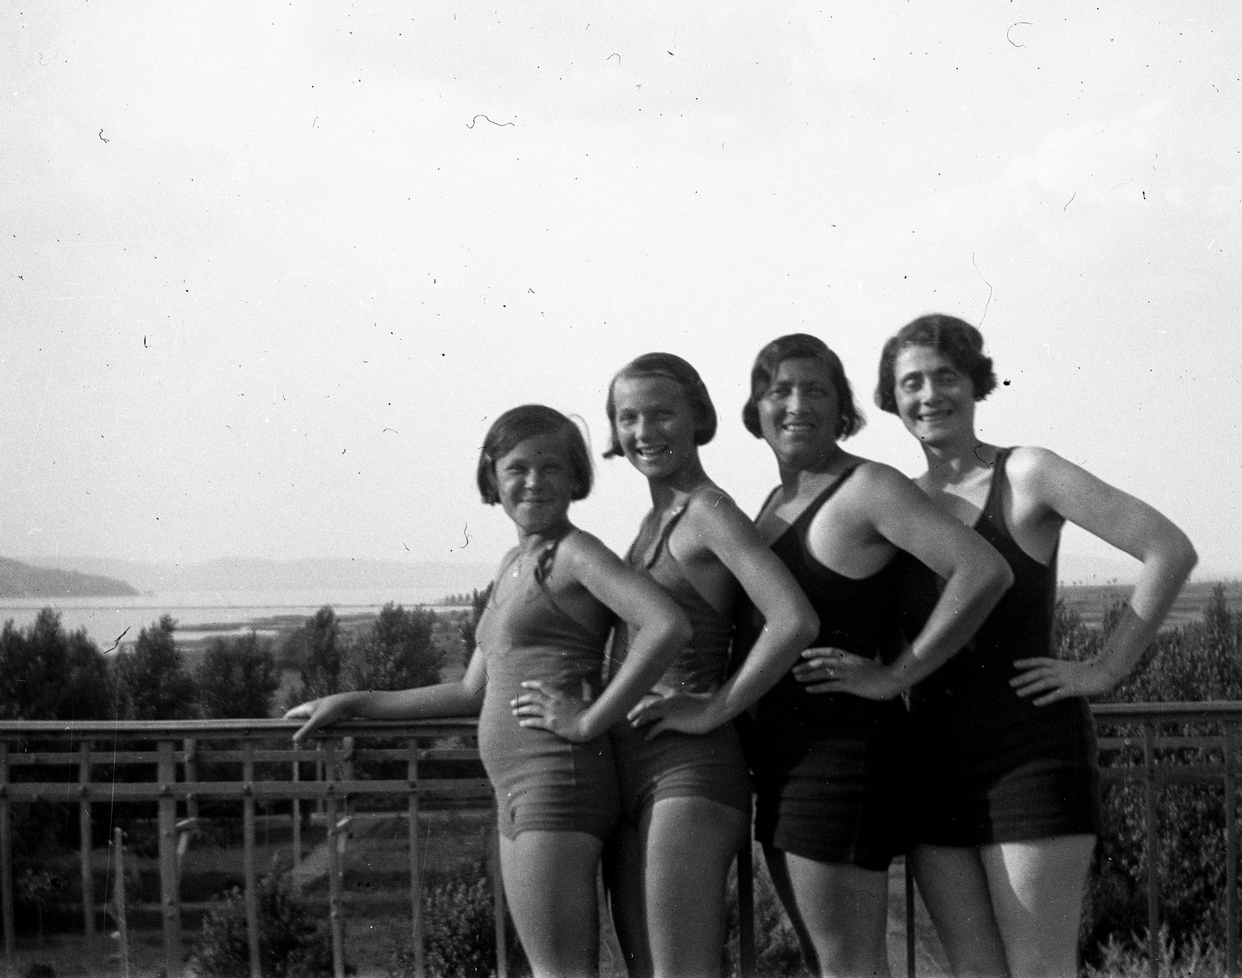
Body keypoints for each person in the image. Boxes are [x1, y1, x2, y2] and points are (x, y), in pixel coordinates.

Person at [285, 404, 692, 978]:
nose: (534, 481)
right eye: (518, 467)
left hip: (557, 782)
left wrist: (589, 719)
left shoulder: (576, 552)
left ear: (577, 477)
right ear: (492, 478)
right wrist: (356, 702)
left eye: (552, 467)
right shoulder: (514, 562)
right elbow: (472, 690)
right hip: (526, 791)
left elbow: (666, 625)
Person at [873, 313, 1198, 978]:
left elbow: (1168, 548)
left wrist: (1106, 668)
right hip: (931, 762)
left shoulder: (1028, 473)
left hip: (1030, 758)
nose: (929, 394)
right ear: (892, 398)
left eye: (945, 377)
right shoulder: (894, 502)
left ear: (975, 383)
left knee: (1038, 970)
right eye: (911, 383)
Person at [740, 333, 1014, 978]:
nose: (796, 404)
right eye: (779, 390)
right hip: (786, 765)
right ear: (757, 409)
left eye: (816, 390)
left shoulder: (868, 487)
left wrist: (896, 675)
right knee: (827, 959)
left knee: (850, 964)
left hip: (841, 764)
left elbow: (982, 571)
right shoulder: (775, 504)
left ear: (844, 409)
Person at [600, 352, 821, 978]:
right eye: (629, 417)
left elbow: (794, 618)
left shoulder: (707, 510)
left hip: (690, 772)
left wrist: (716, 707)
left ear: (698, 417)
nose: (646, 432)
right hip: (634, 767)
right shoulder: (652, 519)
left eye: (663, 414)